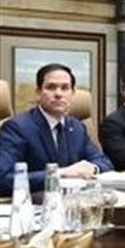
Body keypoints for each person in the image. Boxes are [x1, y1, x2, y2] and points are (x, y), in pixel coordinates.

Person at [0, 63, 112, 195]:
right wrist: (61, 173)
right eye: (51, 87)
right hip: (36, 202)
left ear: (72, 93)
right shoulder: (18, 127)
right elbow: (3, 178)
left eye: (65, 88)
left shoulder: (77, 127)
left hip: (74, 200)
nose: (58, 94)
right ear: (38, 93)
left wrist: (92, 168)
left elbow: (104, 162)